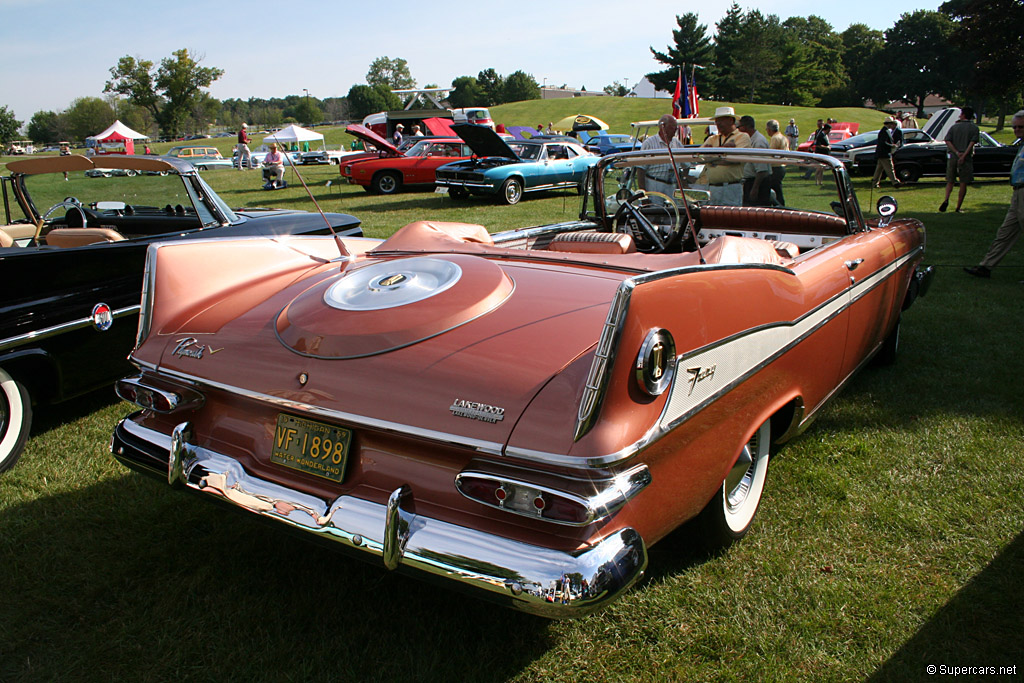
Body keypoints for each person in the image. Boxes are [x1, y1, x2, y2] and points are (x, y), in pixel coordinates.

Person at [964, 111, 1024, 279]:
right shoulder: (1022, 145)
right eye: (1015, 127)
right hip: (1017, 192)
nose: (1017, 130)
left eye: (1021, 127)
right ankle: (986, 267)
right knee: (1005, 233)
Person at [698, 106, 751, 206]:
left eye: (721, 120)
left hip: (731, 188)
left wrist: (711, 156)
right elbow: (699, 157)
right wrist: (723, 151)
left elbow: (735, 159)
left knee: (730, 218)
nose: (717, 124)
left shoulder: (743, 137)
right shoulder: (712, 138)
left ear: (731, 120)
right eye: (716, 121)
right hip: (711, 188)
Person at [939, 107, 980, 213]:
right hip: (966, 158)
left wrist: (956, 153)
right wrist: (963, 155)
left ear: (963, 115)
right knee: (963, 182)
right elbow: (972, 143)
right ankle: (958, 207)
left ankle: (946, 199)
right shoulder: (974, 128)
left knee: (950, 181)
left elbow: (948, 141)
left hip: (953, 156)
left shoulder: (954, 127)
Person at [636, 114, 687, 196]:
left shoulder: (677, 143)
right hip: (655, 185)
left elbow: (686, 163)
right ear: (662, 126)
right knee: (656, 208)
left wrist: (683, 181)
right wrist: (643, 193)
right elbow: (641, 169)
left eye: (676, 126)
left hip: (672, 186)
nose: (676, 129)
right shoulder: (649, 143)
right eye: (673, 126)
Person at [738, 115, 771, 206]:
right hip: (750, 182)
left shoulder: (758, 142)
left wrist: (754, 188)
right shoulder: (749, 140)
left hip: (757, 183)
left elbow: (762, 170)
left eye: (738, 127)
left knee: (756, 212)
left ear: (744, 127)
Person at [871, 117, 902, 189]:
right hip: (884, 153)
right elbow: (883, 142)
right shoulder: (885, 131)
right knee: (889, 168)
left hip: (881, 153)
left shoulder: (884, 130)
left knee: (879, 169)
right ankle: (895, 182)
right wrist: (892, 145)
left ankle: (875, 183)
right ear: (889, 124)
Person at [767, 119, 788, 206]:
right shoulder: (783, 137)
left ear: (769, 129)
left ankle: (779, 207)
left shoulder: (774, 138)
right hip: (782, 166)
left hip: (775, 167)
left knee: (774, 190)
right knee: (778, 189)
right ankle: (780, 206)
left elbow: (771, 153)